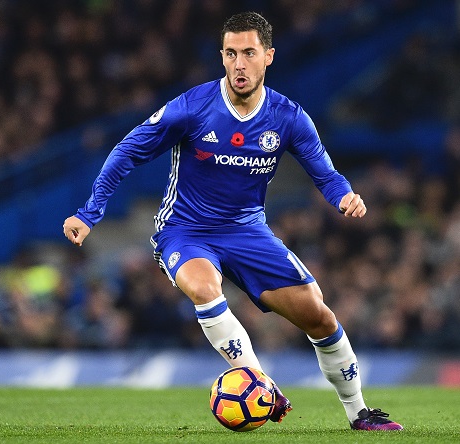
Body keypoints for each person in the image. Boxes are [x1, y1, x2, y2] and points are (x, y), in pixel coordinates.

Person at [63, 11, 402, 431]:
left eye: (248, 53)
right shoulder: (193, 107)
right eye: (230, 53)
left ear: (269, 56)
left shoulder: (288, 117)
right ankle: (262, 386)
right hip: (185, 230)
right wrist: (89, 212)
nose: (238, 64)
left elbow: (325, 173)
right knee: (205, 289)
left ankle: (360, 413)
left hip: (247, 231)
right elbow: (127, 150)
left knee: (320, 317)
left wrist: (345, 196)